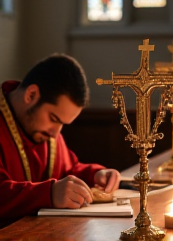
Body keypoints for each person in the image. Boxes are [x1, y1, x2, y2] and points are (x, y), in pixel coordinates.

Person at [0, 54, 120, 228]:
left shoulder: (45, 131)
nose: (56, 133)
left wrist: (95, 175)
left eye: (62, 124)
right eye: (53, 118)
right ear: (31, 95)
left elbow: (68, 170)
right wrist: (48, 193)